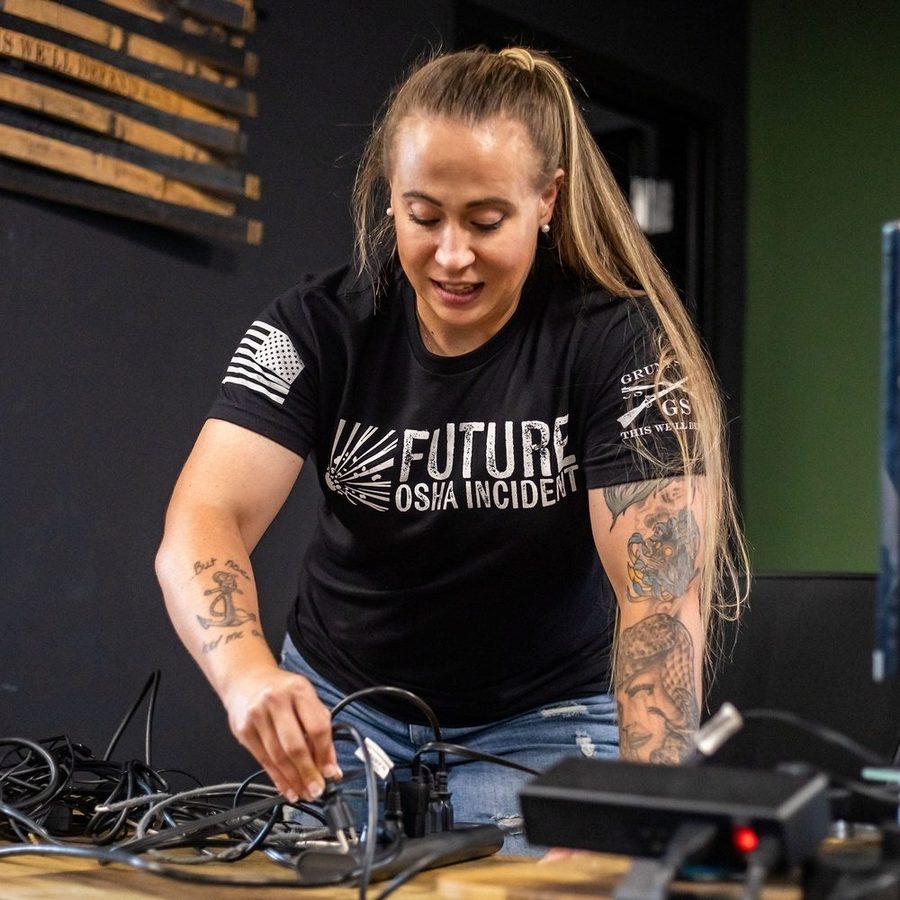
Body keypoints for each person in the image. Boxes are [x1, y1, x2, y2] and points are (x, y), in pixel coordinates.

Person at [155, 46, 747, 854]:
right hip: (341, 709)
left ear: (547, 200)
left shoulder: (621, 346)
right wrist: (247, 674)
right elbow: (204, 517)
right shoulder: (314, 327)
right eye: (424, 216)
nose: (453, 255)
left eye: (486, 220)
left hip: (541, 719)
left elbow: (662, 601)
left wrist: (643, 807)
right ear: (388, 199)